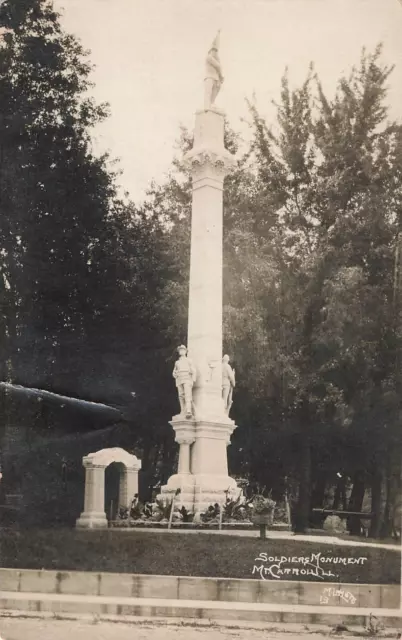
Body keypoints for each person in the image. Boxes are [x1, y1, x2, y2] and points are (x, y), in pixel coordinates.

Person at [173, 345, 196, 419]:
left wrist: (193, 380)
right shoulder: (177, 362)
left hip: (187, 378)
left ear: (186, 351)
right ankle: (183, 410)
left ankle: (188, 410)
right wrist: (174, 374)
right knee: (181, 396)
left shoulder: (189, 360)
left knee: (187, 395)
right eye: (180, 350)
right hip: (179, 379)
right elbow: (174, 372)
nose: (181, 351)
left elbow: (193, 370)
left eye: (183, 350)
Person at [204, 31, 224, 109]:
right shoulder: (209, 57)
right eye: (213, 50)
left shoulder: (216, 58)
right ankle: (207, 107)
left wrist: (220, 78)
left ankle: (212, 103)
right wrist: (221, 75)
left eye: (216, 51)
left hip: (215, 78)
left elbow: (219, 67)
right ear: (210, 50)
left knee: (215, 91)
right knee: (208, 92)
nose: (215, 52)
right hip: (209, 77)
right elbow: (218, 66)